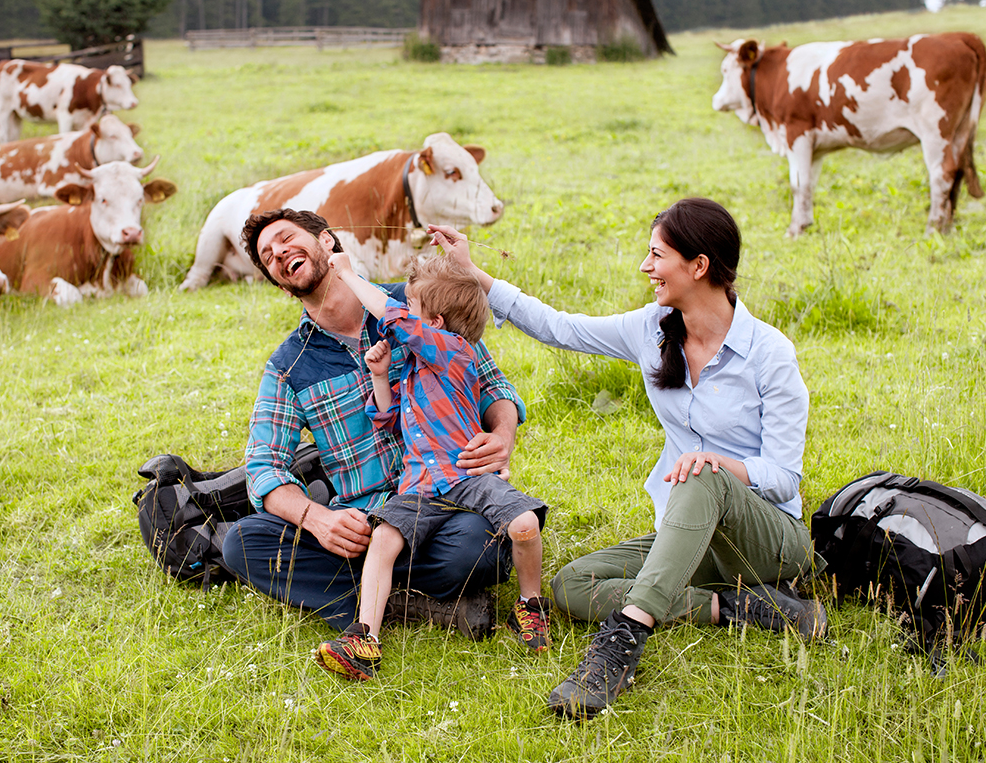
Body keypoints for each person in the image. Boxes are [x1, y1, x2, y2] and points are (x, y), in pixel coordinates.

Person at [430, 197, 827, 720]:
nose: (646, 267)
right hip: (685, 530)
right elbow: (561, 328)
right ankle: (747, 608)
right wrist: (476, 275)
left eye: (657, 255)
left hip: (767, 538)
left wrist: (718, 463)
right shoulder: (652, 328)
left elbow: (783, 478)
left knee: (701, 473)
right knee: (572, 586)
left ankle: (621, 644)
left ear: (698, 266)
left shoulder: (770, 355)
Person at [220, 208, 527, 639]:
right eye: (268, 256)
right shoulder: (289, 366)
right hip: (362, 523)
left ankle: (375, 599)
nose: (278, 253)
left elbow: (493, 387)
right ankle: (416, 601)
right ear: (281, 284)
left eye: (286, 239)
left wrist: (502, 435)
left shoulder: (414, 304)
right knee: (241, 543)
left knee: (484, 543)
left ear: (326, 241)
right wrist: (316, 519)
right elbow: (263, 467)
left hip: (443, 499)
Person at [312, 250, 551, 681]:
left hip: (464, 474)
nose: (404, 311)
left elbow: (394, 318)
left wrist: (347, 273)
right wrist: (381, 377)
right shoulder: (416, 370)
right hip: (419, 483)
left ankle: (530, 604)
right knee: (383, 538)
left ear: (434, 324)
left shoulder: (457, 352)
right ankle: (364, 638)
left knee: (523, 525)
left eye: (414, 307)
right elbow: (388, 419)